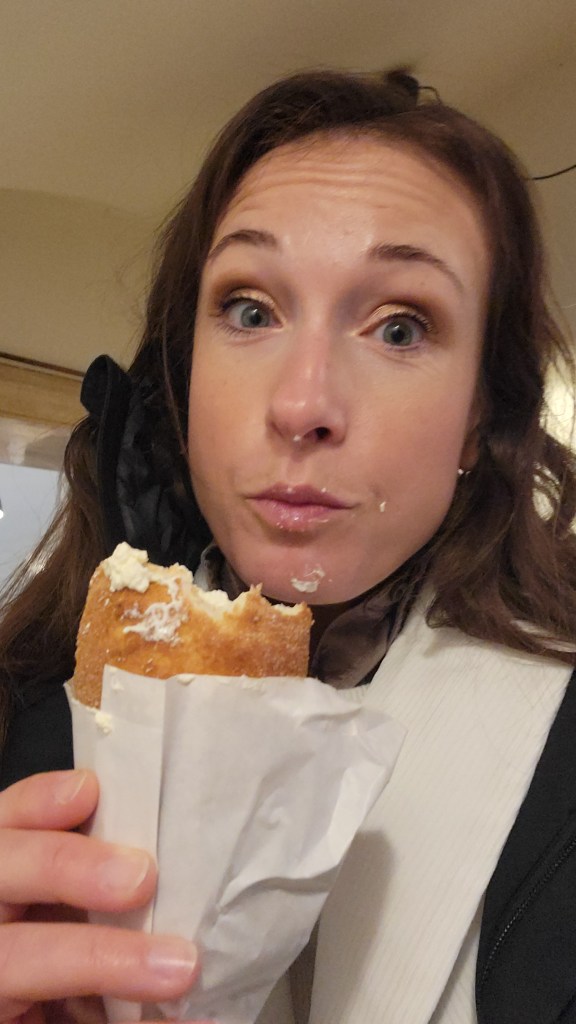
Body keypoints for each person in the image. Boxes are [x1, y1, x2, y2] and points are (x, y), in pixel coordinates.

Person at [0, 67, 575, 1024]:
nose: (303, 404)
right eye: (250, 311)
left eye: (400, 327)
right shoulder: (24, 703)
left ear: (480, 418)